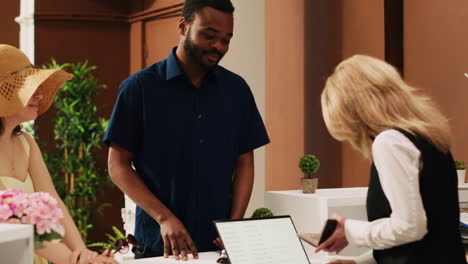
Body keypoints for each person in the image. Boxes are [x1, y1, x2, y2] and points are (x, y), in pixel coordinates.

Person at [104, 0, 270, 260]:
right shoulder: (139, 89)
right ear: (184, 26)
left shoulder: (237, 90)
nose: (219, 46)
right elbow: (118, 167)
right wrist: (164, 218)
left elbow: (245, 163)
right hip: (160, 246)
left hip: (218, 246)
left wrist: (234, 225)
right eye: (210, 35)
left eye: (226, 39)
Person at [316, 54, 467, 264]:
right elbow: (428, 237)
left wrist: (349, 230)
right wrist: (358, 263)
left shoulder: (389, 142)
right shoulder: (430, 137)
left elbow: (410, 227)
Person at [0, 44, 118, 264]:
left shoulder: (26, 142)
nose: (40, 94)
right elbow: (12, 221)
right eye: (29, 88)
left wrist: (82, 252)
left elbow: (53, 201)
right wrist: (75, 260)